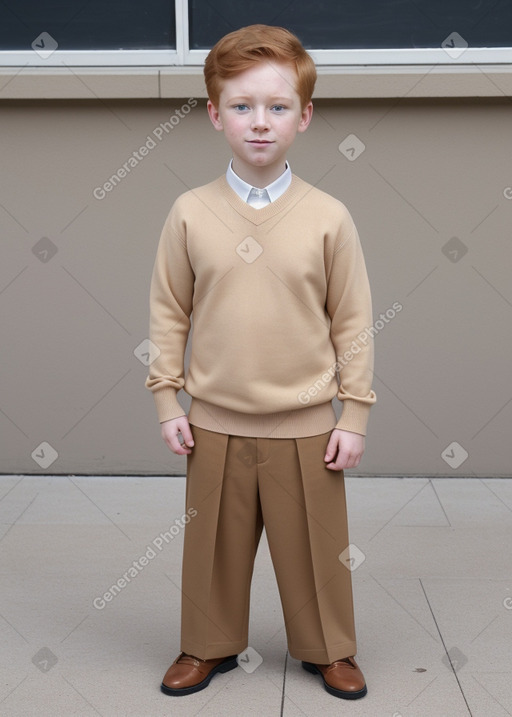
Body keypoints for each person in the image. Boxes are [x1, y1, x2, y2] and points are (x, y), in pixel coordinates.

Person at [145, 23, 376, 700]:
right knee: (213, 548)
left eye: (277, 107)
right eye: (241, 106)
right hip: (214, 419)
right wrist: (168, 399)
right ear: (215, 113)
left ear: (304, 116)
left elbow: (353, 321)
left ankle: (329, 647)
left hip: (306, 423)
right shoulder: (189, 213)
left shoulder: (329, 217)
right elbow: (168, 312)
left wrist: (354, 412)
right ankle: (206, 643)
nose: (259, 123)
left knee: (315, 549)